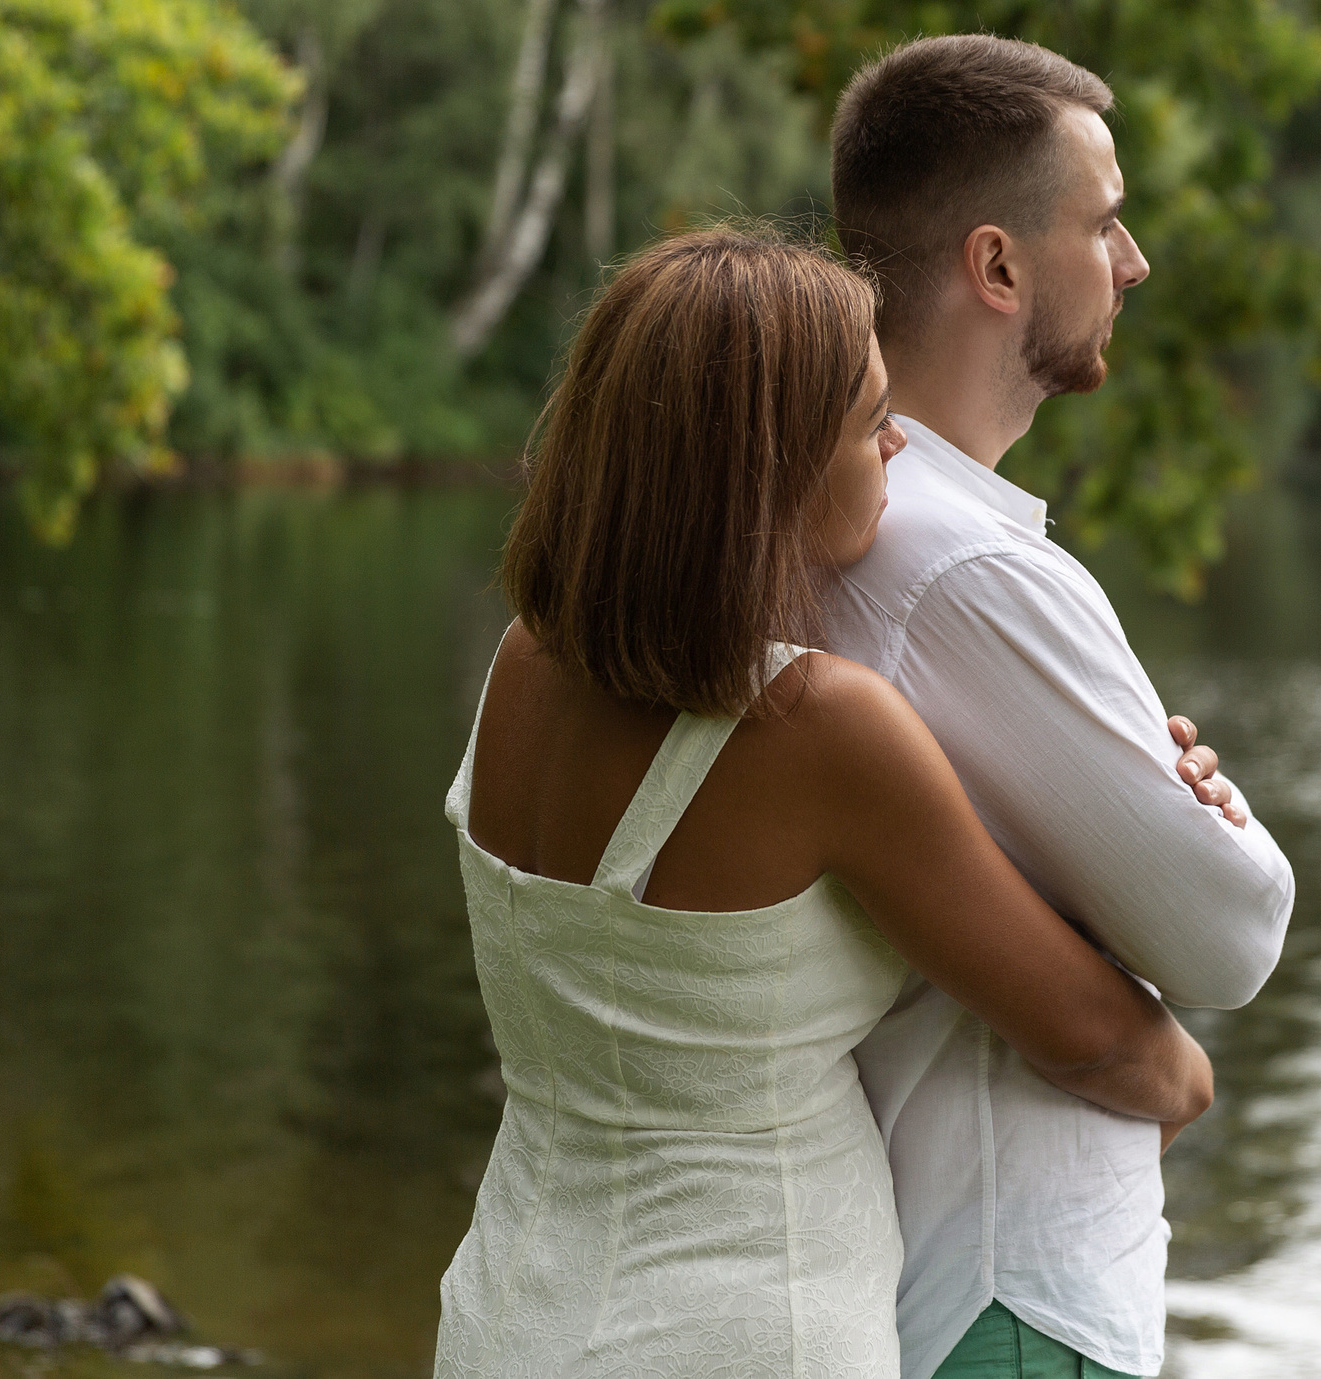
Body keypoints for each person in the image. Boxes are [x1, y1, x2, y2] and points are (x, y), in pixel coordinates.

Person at [434, 230, 1215, 1379]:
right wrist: (1189, 1076)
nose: (899, 444)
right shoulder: (820, 730)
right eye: (868, 423)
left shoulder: (522, 668)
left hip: (509, 1310)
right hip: (751, 1334)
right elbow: (1100, 1042)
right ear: (768, 472)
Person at [822, 36, 1297, 1379]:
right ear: (997, 267)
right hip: (1010, 1297)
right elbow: (1234, 929)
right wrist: (1217, 806)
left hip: (937, 1284)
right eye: (1103, 219)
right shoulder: (958, 564)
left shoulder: (857, 518)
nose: (1134, 259)